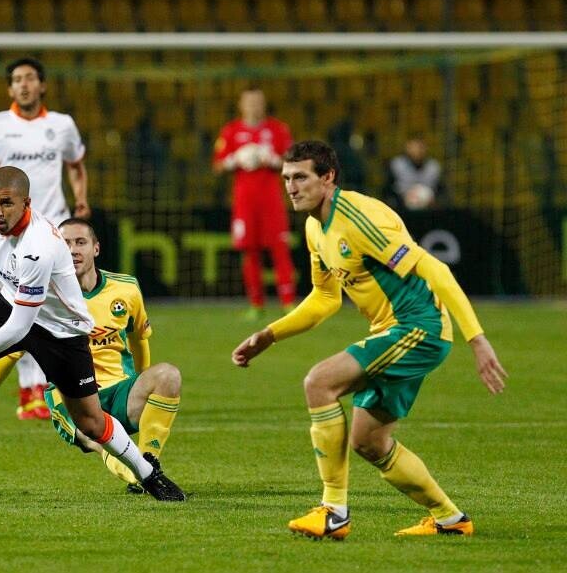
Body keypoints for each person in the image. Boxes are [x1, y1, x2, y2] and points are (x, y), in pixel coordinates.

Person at [231, 141, 507, 539]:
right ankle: (450, 519)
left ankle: (333, 513)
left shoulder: (359, 219)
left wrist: (477, 340)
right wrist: (270, 334)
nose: (291, 187)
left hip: (418, 327)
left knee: (319, 382)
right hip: (395, 331)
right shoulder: (314, 227)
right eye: (287, 178)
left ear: (328, 178)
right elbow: (325, 299)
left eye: (301, 177)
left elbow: (436, 269)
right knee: (369, 442)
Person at [0, 166, 185, 502]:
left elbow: (20, 329)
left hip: (60, 331)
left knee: (92, 424)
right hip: (13, 305)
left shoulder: (38, 246)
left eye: (7, 204)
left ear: (26, 203)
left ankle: (148, 473)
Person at [0, 217, 182, 493]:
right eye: (65, 243)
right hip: (70, 399)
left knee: (168, 375)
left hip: (120, 391)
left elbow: (139, 340)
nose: (72, 250)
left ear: (96, 248)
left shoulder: (126, 289)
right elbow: (5, 360)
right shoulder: (40, 298)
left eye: (80, 242)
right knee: (96, 437)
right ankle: (139, 478)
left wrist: (140, 381)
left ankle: (149, 462)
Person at [0, 57, 90, 420]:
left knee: (62, 310)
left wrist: (81, 198)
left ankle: (62, 386)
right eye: (17, 79)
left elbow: (76, 165)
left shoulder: (62, 125)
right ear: (10, 88)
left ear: (42, 85)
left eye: (30, 78)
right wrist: (0, 180)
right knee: (20, 309)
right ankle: (29, 390)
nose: (24, 84)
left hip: (56, 230)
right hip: (10, 234)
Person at [213, 87, 296, 320]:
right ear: (241, 104)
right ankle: (256, 304)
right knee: (250, 252)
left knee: (280, 248)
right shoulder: (231, 131)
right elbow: (218, 166)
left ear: (264, 104)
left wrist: (273, 159)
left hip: (271, 200)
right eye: (249, 102)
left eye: (258, 102)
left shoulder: (278, 130)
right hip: (244, 202)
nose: (254, 106)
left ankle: (288, 302)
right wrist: (234, 159)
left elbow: (292, 164)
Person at [384, 135, 444, 211]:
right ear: (407, 148)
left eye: (420, 147)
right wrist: (401, 201)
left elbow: (441, 192)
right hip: (402, 210)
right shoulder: (397, 165)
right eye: (414, 147)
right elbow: (387, 192)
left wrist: (434, 201)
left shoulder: (433, 167)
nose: (417, 150)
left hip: (428, 211)